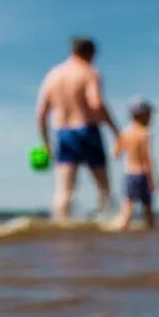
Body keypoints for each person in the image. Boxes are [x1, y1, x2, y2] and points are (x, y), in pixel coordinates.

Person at [36, 36, 120, 223]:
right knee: (103, 187)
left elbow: (41, 114)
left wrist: (46, 144)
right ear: (91, 54)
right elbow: (96, 104)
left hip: (63, 133)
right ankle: (106, 223)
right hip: (87, 129)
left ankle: (60, 225)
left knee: (64, 190)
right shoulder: (89, 72)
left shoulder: (54, 74)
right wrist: (115, 130)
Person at [114, 99, 159, 232]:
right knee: (148, 210)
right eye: (149, 115)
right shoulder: (144, 133)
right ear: (142, 116)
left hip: (129, 174)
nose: (151, 118)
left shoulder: (125, 133)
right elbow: (147, 158)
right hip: (142, 173)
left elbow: (115, 153)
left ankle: (121, 230)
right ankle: (151, 232)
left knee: (127, 207)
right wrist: (152, 179)